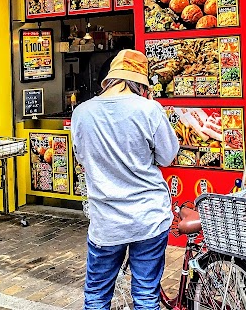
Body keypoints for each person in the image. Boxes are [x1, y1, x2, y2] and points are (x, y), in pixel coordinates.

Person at [72, 50, 179, 310]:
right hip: (148, 217)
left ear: (110, 79)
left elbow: (83, 159)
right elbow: (167, 156)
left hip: (106, 221)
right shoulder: (149, 109)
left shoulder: (82, 112)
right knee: (145, 296)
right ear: (140, 83)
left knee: (97, 296)